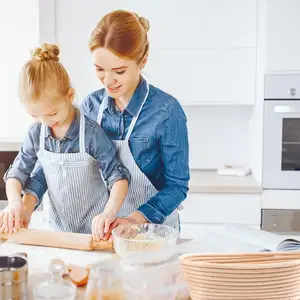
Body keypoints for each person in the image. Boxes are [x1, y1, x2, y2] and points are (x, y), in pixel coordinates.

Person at [24, 10, 190, 239]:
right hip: (105, 233)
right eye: (100, 69)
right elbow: (55, 162)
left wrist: (135, 219)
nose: (108, 81)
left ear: (142, 61)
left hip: (152, 233)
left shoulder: (167, 112)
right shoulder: (90, 105)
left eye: (119, 71)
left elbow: (177, 187)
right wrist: (25, 203)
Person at [1, 43, 129, 240]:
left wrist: (108, 213)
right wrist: (16, 204)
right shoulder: (37, 132)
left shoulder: (91, 134)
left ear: (69, 96)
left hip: (94, 234)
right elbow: (18, 173)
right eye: (35, 115)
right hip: (56, 233)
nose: (46, 122)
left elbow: (118, 178)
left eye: (52, 113)